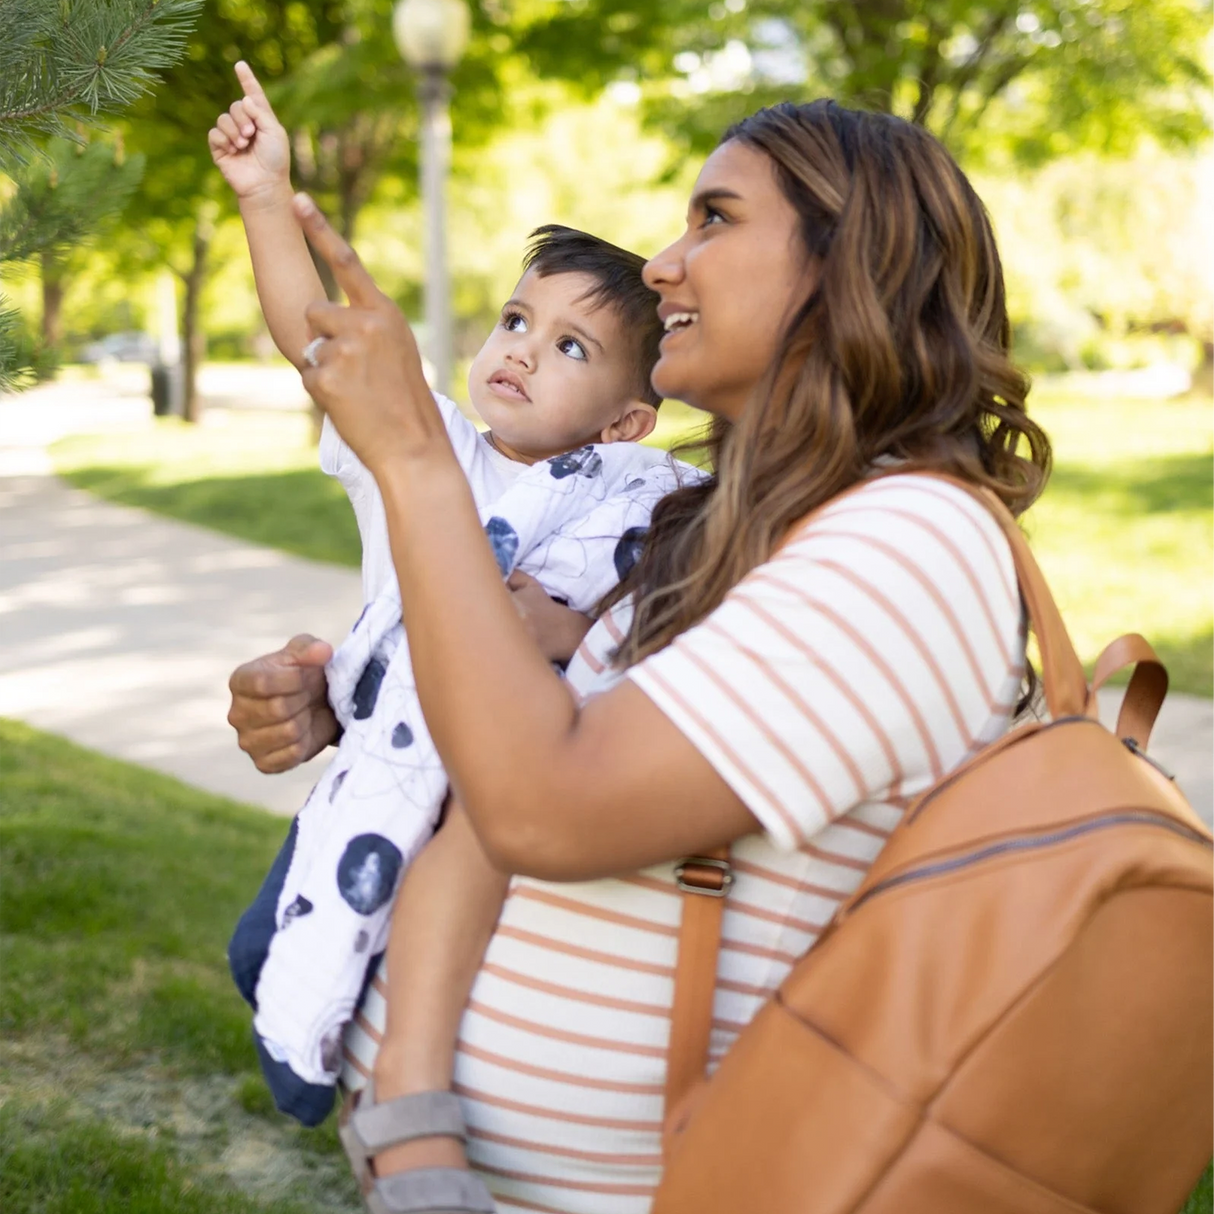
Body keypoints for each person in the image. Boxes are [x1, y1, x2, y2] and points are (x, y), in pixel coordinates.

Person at [228, 99, 1051, 1214]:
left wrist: (416, 458)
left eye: (712, 219)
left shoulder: (906, 540)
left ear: (848, 263)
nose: (663, 264)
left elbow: (541, 804)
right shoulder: (724, 529)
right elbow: (507, 764)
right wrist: (368, 697)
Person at [209, 64, 695, 1145]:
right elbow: (317, 337)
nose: (519, 345)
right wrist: (260, 196)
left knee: (458, 1007)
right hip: (377, 783)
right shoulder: (425, 445)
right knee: (266, 951)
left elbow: (620, 633)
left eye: (569, 345)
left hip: (493, 815)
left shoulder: (626, 507)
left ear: (623, 422)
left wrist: (565, 629)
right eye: (516, 317)